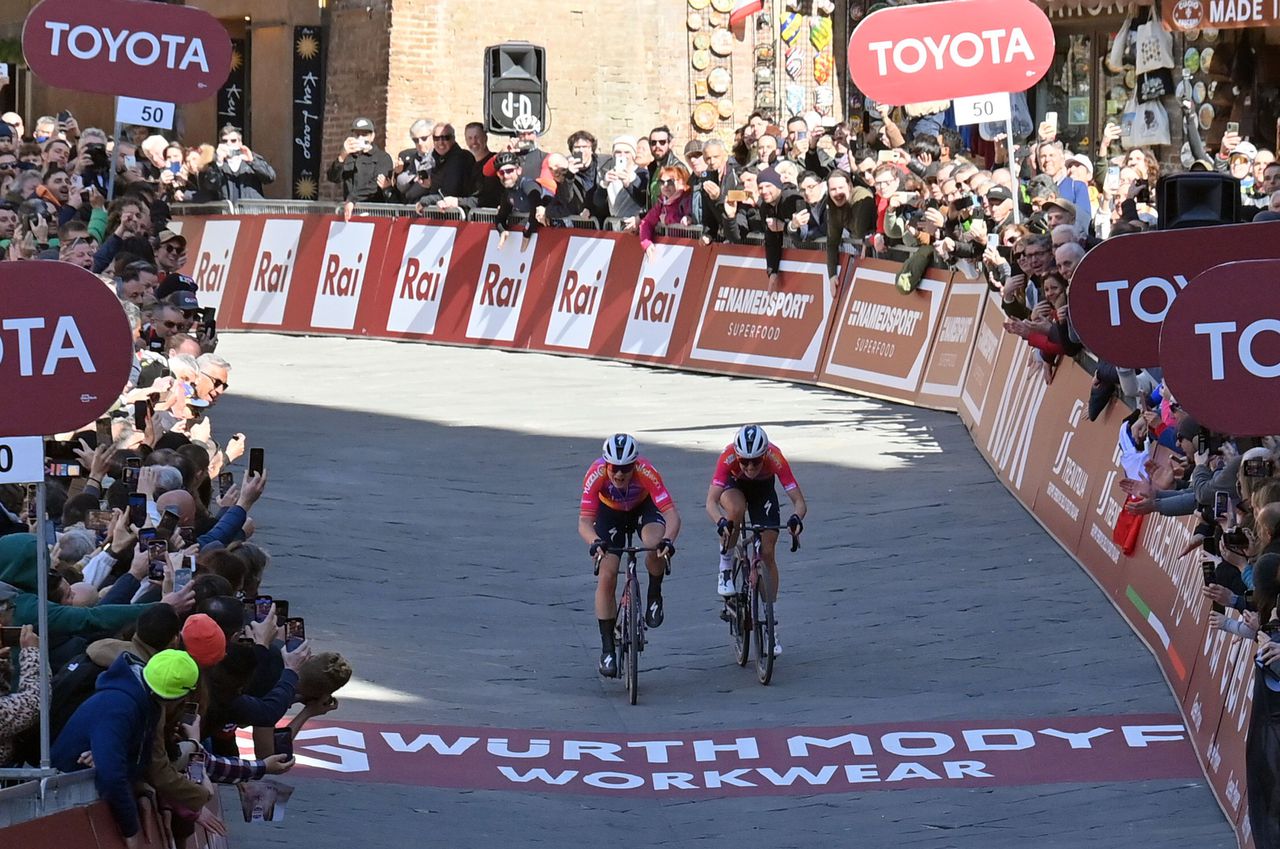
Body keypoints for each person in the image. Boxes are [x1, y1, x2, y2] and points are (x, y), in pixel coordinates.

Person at [51, 649, 201, 847]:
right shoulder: (121, 706)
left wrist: (112, 757)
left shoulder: (145, 700)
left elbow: (136, 759)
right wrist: (130, 830)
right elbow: (112, 774)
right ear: (181, 695)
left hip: (74, 795)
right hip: (61, 799)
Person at [578, 434, 680, 678]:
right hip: (609, 513)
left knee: (654, 544)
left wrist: (668, 541)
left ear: (635, 464)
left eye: (626, 468)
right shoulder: (596, 474)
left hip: (642, 508)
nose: (620, 474)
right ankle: (607, 650)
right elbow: (584, 521)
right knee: (607, 574)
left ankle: (654, 593)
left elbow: (672, 516)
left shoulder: (647, 472)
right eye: (614, 468)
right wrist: (594, 542)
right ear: (606, 465)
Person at [705, 425, 807, 656]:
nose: (750, 467)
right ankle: (726, 566)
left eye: (756, 462)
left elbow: (799, 502)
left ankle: (771, 622)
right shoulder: (728, 457)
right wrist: (721, 521)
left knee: (768, 553)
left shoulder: (775, 456)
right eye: (744, 462)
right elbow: (711, 502)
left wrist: (795, 518)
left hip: (763, 491)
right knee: (736, 509)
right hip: (733, 487)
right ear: (737, 457)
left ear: (765, 455)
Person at [326, 117, 394, 202]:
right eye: (357, 135)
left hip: (373, 209)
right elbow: (333, 178)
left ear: (372, 136)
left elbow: (374, 186)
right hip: (350, 210)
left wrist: (352, 199)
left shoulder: (382, 158)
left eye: (365, 134)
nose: (361, 138)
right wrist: (342, 156)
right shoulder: (348, 157)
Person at [209, 124, 276, 201]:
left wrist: (251, 162)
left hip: (252, 210)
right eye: (224, 141)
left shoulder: (250, 157)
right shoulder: (216, 163)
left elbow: (270, 177)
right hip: (228, 210)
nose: (229, 143)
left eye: (233, 141)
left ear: (240, 143)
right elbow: (211, 186)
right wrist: (219, 163)